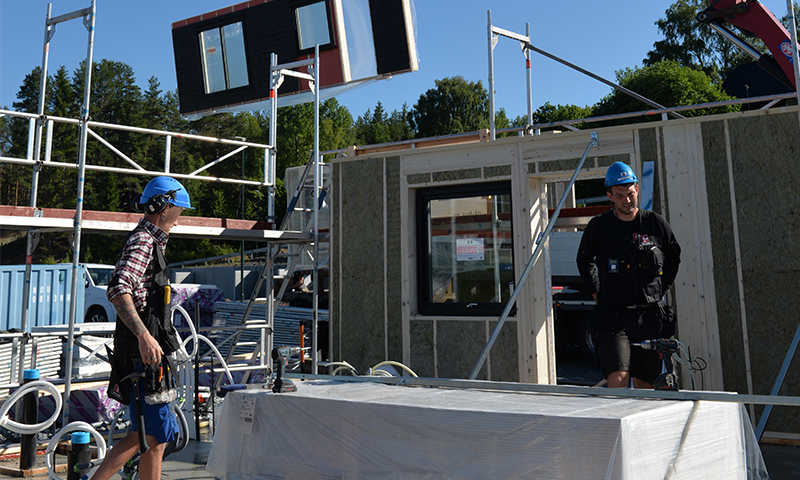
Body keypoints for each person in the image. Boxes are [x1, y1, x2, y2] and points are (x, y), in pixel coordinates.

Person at [93, 176, 192, 480]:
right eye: (179, 210)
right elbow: (118, 289)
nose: (180, 218)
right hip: (142, 355)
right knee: (149, 434)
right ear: (164, 208)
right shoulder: (144, 242)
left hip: (147, 353)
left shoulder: (153, 243)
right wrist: (144, 335)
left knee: (154, 437)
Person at [576, 162, 681, 389]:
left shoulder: (655, 223)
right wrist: (595, 291)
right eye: (620, 195)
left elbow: (674, 255)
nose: (627, 200)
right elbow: (584, 261)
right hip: (613, 316)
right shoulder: (599, 227)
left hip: (650, 316)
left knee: (644, 382)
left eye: (630, 194)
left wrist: (662, 287)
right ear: (610, 196)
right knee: (618, 378)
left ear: (637, 189)